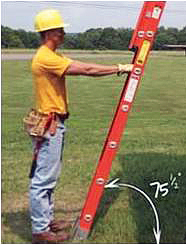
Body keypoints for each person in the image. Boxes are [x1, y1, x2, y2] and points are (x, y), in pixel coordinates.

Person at [25, 9, 133, 244]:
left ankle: (46, 219)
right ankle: (40, 230)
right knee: (43, 179)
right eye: (60, 29)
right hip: (50, 125)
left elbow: (81, 66)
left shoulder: (51, 55)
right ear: (50, 32)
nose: (63, 32)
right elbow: (86, 69)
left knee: (48, 176)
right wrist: (119, 68)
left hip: (53, 123)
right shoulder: (46, 58)